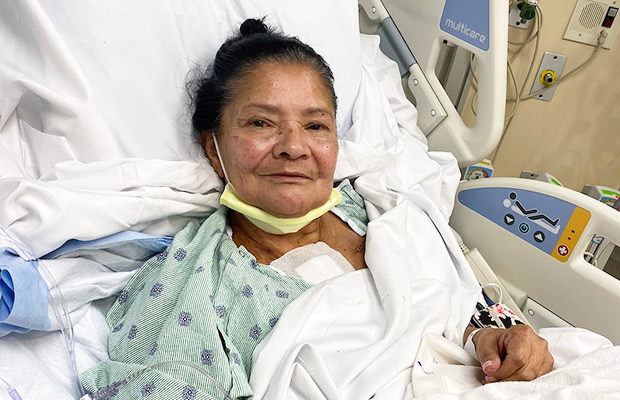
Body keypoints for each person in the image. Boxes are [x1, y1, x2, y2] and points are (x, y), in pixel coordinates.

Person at [80, 18, 552, 399]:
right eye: (262, 123)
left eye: (316, 125)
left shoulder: (388, 211)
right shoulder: (191, 280)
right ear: (213, 148)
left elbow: (461, 310)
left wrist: (497, 341)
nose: (293, 147)